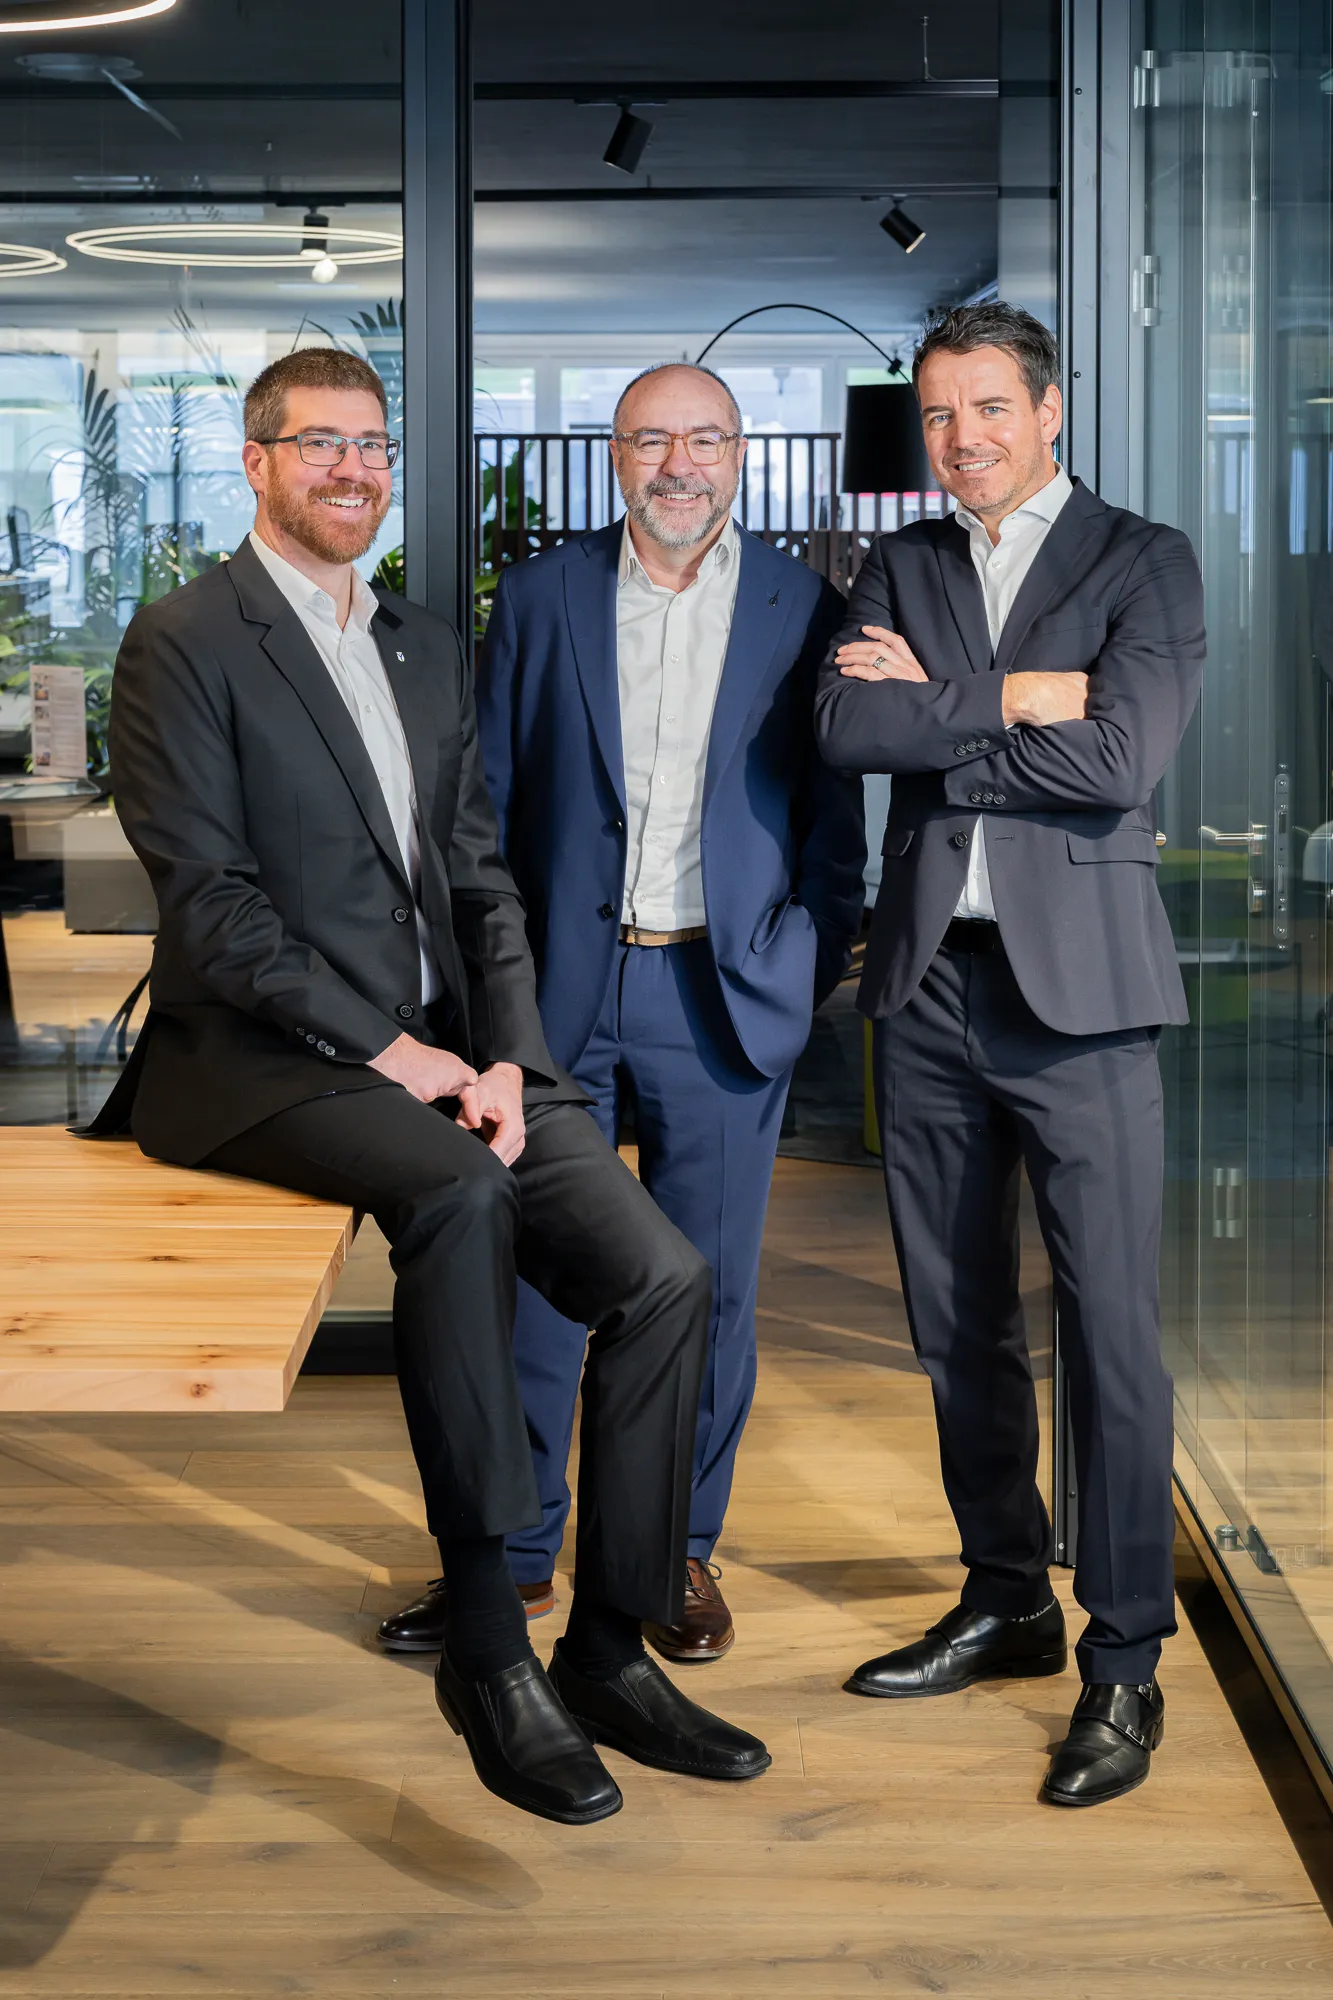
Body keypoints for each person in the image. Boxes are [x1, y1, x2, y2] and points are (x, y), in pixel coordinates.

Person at [100, 346, 771, 1826]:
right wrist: (402, 1057)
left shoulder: (415, 641)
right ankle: (487, 1648)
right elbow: (214, 911)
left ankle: (609, 1648)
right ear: (258, 462)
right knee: (462, 1197)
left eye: (373, 446)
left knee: (664, 1279)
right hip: (261, 1060)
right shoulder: (183, 640)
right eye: (320, 444)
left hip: (454, 1054)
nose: (353, 469)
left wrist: (513, 1056)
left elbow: (480, 880)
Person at [380, 363, 864, 1666]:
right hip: (555, 1000)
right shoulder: (542, 596)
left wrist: (804, 959)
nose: (678, 464)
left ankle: (668, 1557)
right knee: (536, 1283)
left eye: (704, 439)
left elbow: (834, 822)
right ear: (615, 455)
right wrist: (494, 996)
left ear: (739, 454)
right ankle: (514, 1560)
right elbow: (482, 808)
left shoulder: (805, 606)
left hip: (725, 996)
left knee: (707, 1291)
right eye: (652, 439)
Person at [816, 302, 1205, 1808]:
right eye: (937, 414)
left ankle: (1125, 1657)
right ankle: (1005, 1596)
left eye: (988, 407)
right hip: (926, 985)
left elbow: (1121, 759)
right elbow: (846, 732)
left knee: (1109, 1331)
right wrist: (1014, 701)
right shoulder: (902, 559)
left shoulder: (1142, 559)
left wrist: (935, 713)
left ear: (1050, 410)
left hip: (1084, 997)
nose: (960, 438)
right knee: (956, 1318)